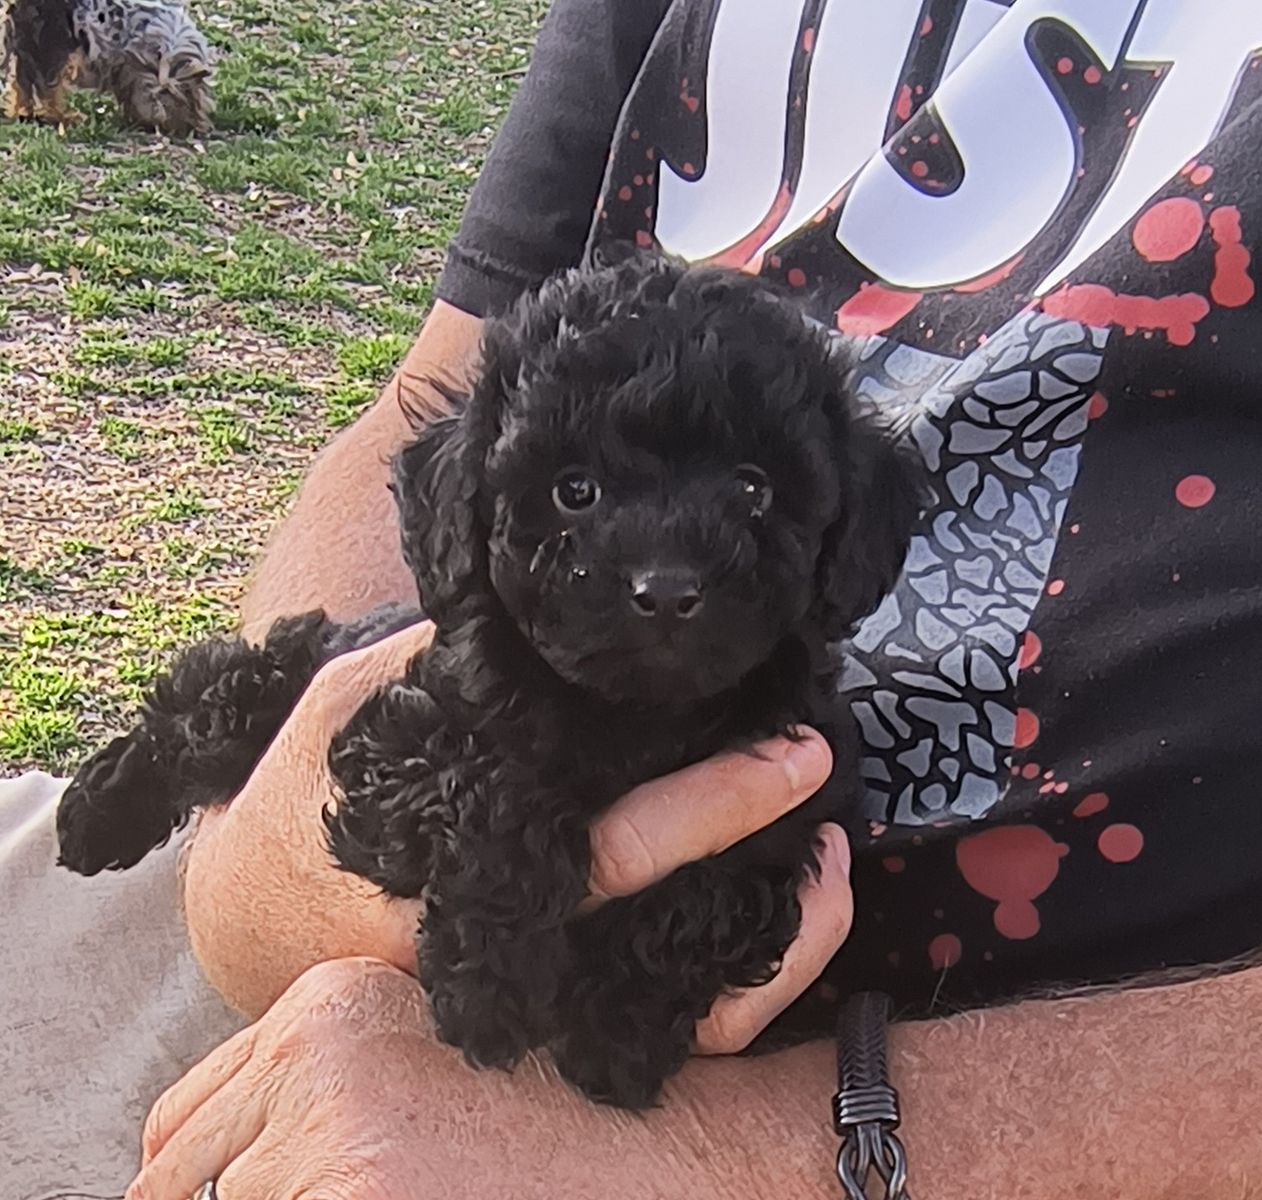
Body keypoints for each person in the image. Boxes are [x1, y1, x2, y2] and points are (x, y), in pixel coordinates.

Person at [6, 0, 1262, 1195]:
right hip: (291, 911)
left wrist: (727, 1154)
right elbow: (436, 398)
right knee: (264, 691)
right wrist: (264, 875)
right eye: (579, 500)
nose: (664, 572)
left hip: (981, 1110)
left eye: (756, 495)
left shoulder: (796, 708)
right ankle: (169, 747)